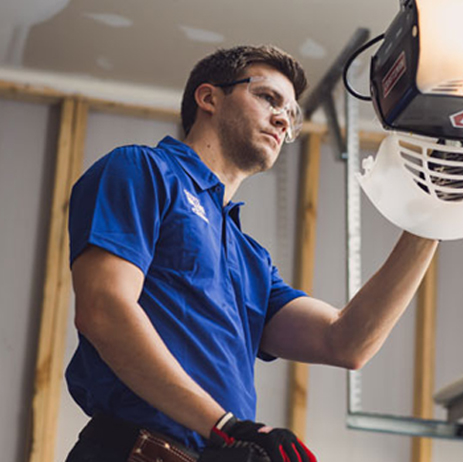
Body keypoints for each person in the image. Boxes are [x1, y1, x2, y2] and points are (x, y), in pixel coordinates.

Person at [65, 45, 438, 462]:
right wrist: (225, 426)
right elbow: (103, 308)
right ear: (208, 98)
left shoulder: (249, 258)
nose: (283, 118)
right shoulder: (144, 170)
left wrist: (433, 217)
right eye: (268, 98)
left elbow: (346, 341)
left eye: (291, 113)